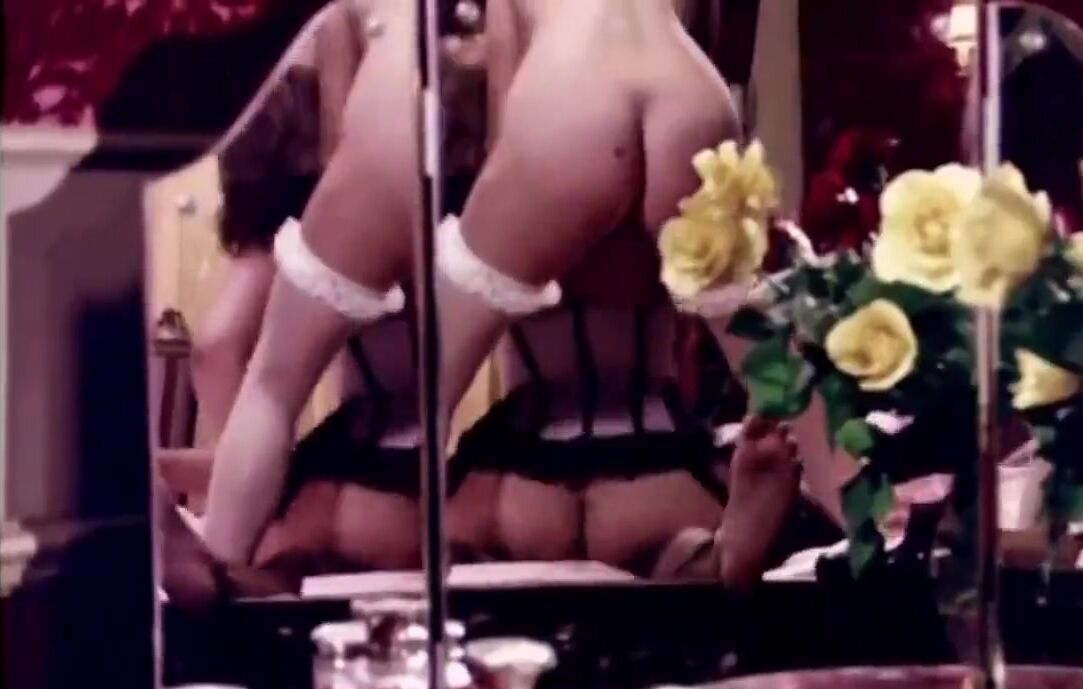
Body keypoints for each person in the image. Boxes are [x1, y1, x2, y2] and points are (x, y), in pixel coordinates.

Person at [170, 0, 849, 600]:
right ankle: (862, 531)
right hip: (684, 86)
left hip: (503, 106)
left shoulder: (391, 39)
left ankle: (224, 566)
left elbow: (479, 59)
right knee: (771, 357)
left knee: (310, 379)